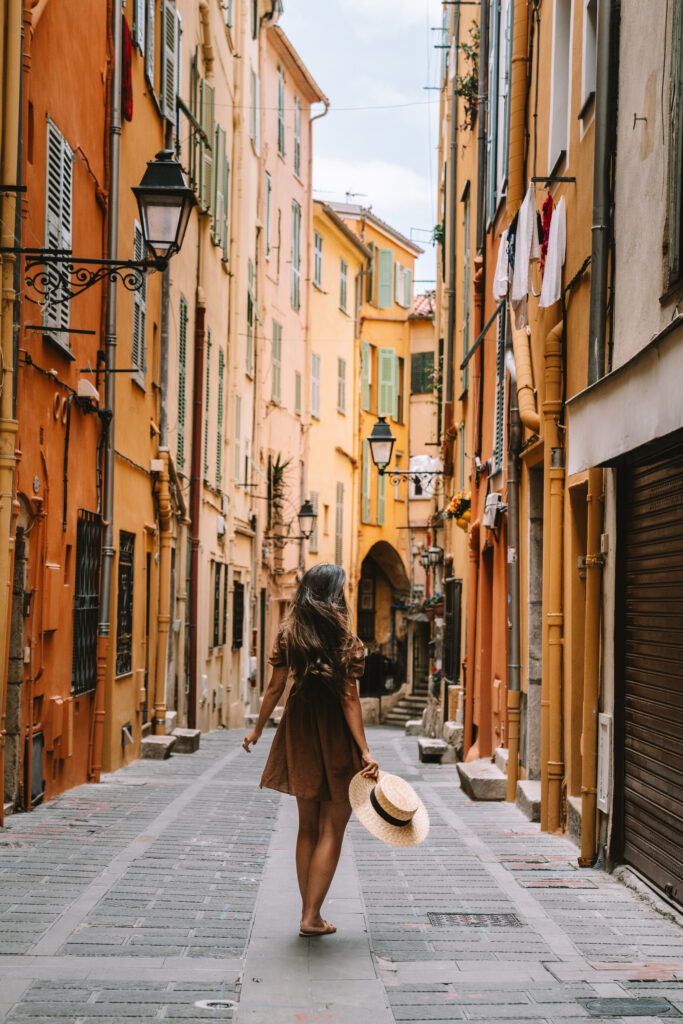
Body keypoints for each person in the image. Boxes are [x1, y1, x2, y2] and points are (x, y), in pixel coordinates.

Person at [243, 563, 379, 938]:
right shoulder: (346, 641)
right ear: (335, 594)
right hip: (334, 730)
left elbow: (275, 688)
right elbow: (350, 700)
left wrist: (257, 729)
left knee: (306, 826)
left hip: (299, 726)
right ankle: (311, 915)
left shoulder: (290, 634)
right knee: (333, 828)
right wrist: (365, 751)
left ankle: (310, 913)